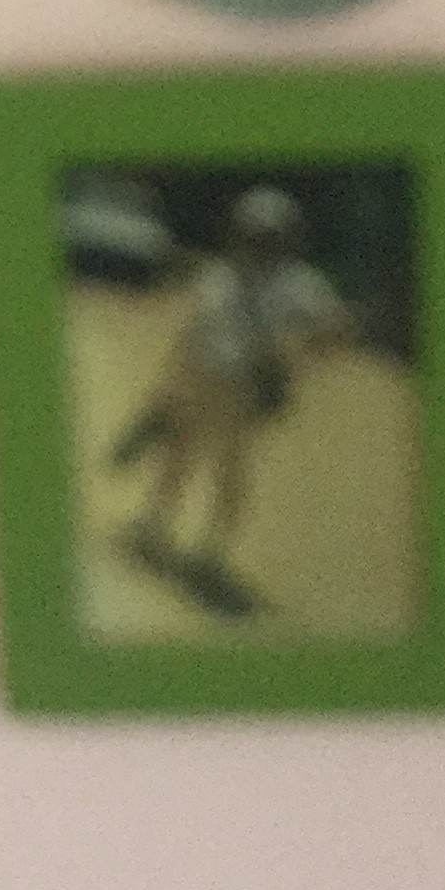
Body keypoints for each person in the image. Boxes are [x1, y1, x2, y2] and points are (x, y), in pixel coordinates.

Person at [107, 184, 352, 606]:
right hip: (200, 379)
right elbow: (193, 334)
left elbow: (336, 331)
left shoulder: (299, 285)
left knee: (231, 473)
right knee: (178, 457)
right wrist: (166, 388)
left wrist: (294, 364)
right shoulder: (219, 276)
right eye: (254, 232)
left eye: (270, 234)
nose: (260, 242)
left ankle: (211, 553)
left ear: (287, 238)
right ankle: (153, 526)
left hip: (243, 393)